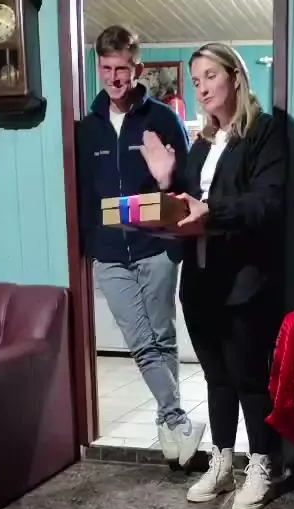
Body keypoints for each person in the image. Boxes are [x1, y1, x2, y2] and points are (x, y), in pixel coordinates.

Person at [140, 42, 286, 509]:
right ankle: (222, 463)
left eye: (210, 76)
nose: (201, 87)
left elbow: (268, 203)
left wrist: (213, 211)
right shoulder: (201, 143)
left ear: (235, 77)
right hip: (200, 280)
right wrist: (166, 181)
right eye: (196, 79)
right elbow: (184, 207)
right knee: (216, 378)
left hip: (244, 280)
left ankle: (263, 465)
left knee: (249, 378)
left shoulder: (265, 132)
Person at [76, 25, 205, 467]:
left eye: (123, 69)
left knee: (163, 338)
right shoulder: (87, 129)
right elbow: (82, 193)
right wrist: (89, 247)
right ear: (99, 68)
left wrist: (167, 179)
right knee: (141, 342)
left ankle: (168, 432)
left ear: (138, 68)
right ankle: (178, 419)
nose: (114, 78)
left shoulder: (163, 120)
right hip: (110, 255)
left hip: (156, 248)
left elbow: (187, 186)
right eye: (106, 68)